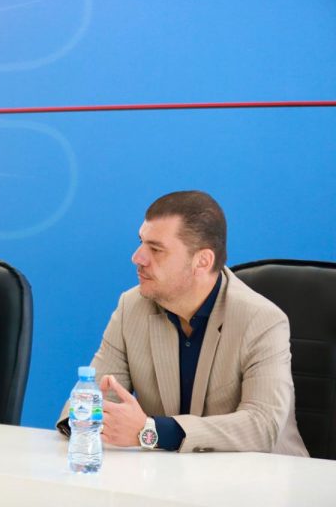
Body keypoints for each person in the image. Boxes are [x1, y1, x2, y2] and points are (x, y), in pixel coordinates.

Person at [58, 190, 307, 455]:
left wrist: (151, 431)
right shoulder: (131, 307)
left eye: (156, 249)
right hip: (168, 473)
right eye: (141, 242)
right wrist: (89, 418)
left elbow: (262, 426)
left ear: (202, 261)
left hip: (263, 475)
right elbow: (86, 405)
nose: (137, 257)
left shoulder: (262, 320)